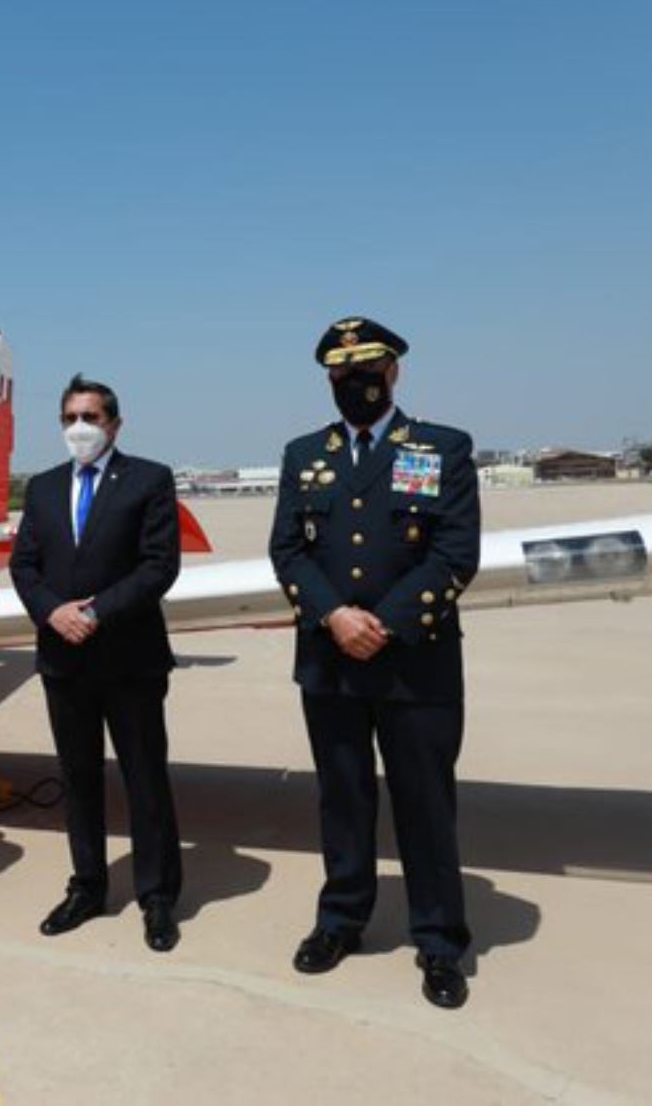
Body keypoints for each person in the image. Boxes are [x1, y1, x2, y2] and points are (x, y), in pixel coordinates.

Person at [268, 317, 481, 1009]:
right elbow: (287, 550)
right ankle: (341, 920)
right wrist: (335, 616)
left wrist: (383, 624)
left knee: (425, 805)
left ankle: (440, 941)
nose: (354, 382)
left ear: (394, 372)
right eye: (341, 373)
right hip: (330, 662)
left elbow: (456, 553)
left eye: (366, 370)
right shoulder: (305, 454)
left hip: (414, 662)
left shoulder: (441, 447)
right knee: (343, 799)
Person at [10, 374, 183, 952]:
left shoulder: (149, 480)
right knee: (78, 779)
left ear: (115, 424)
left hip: (130, 659)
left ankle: (157, 896)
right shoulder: (43, 488)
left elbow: (159, 565)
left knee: (145, 780)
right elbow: (24, 566)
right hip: (64, 660)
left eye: (90, 417)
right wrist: (52, 612)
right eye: (69, 418)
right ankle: (87, 886)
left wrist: (96, 612)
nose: (79, 428)